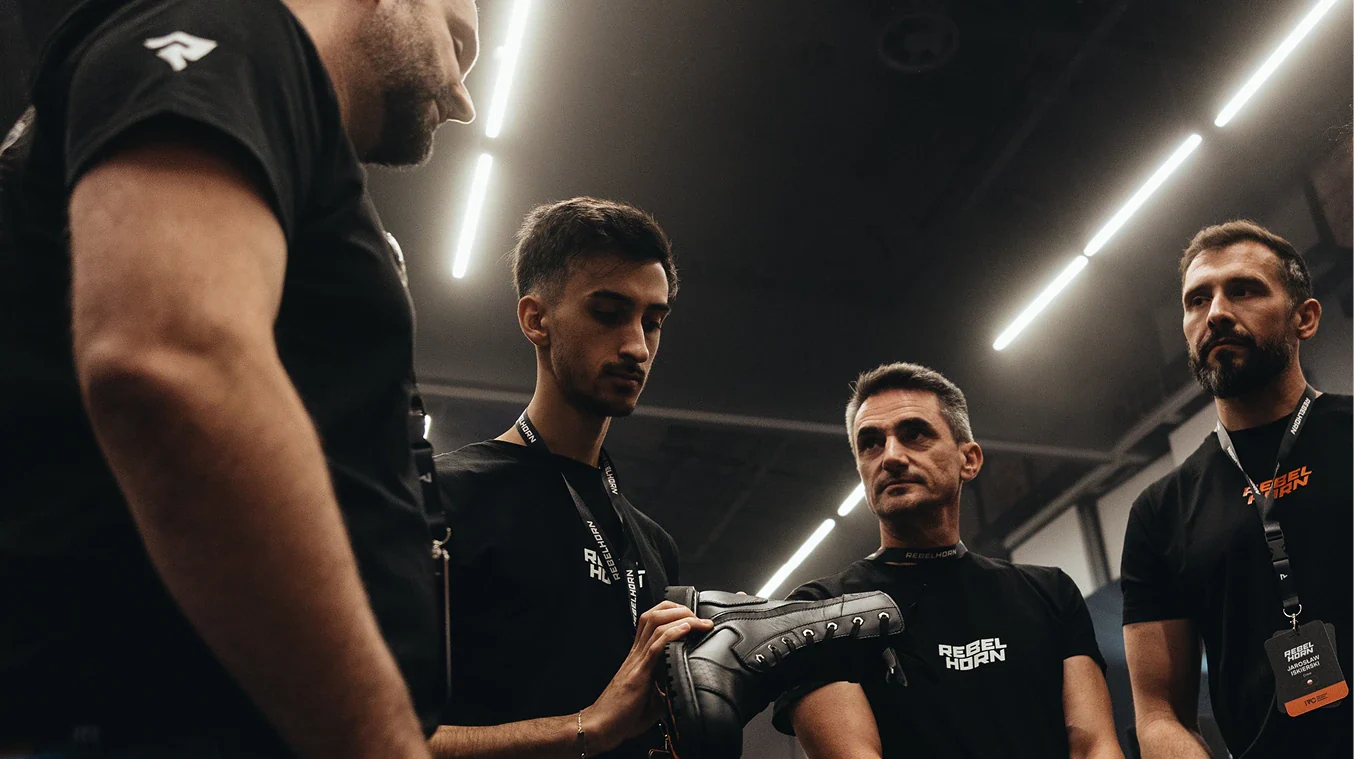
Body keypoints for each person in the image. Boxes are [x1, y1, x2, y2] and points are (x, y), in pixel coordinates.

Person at [0, 0, 479, 757]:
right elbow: (168, 362)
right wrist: (376, 740)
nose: (462, 98)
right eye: (458, 43)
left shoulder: (264, 100)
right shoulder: (231, 24)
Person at [428, 197, 711, 759]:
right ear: (536, 319)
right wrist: (592, 726)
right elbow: (377, 738)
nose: (637, 347)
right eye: (608, 313)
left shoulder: (653, 546)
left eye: (652, 323)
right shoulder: (443, 500)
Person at [773, 362, 1122, 759]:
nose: (890, 457)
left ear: (968, 460)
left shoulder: (1049, 593)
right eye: (870, 443)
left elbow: (1095, 746)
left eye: (914, 434)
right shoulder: (818, 612)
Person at [1122, 220, 1351, 758]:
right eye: (1197, 300)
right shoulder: (1160, 512)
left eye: (1243, 290)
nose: (1216, 313)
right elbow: (1158, 714)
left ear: (1305, 318)